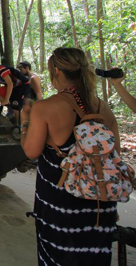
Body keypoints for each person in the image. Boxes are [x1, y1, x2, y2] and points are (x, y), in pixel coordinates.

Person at [21, 47, 119, 266]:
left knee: (58, 257)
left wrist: (25, 120)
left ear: (56, 71)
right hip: (99, 206)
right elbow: (115, 157)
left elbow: (30, 151)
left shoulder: (45, 107)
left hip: (61, 206)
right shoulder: (104, 108)